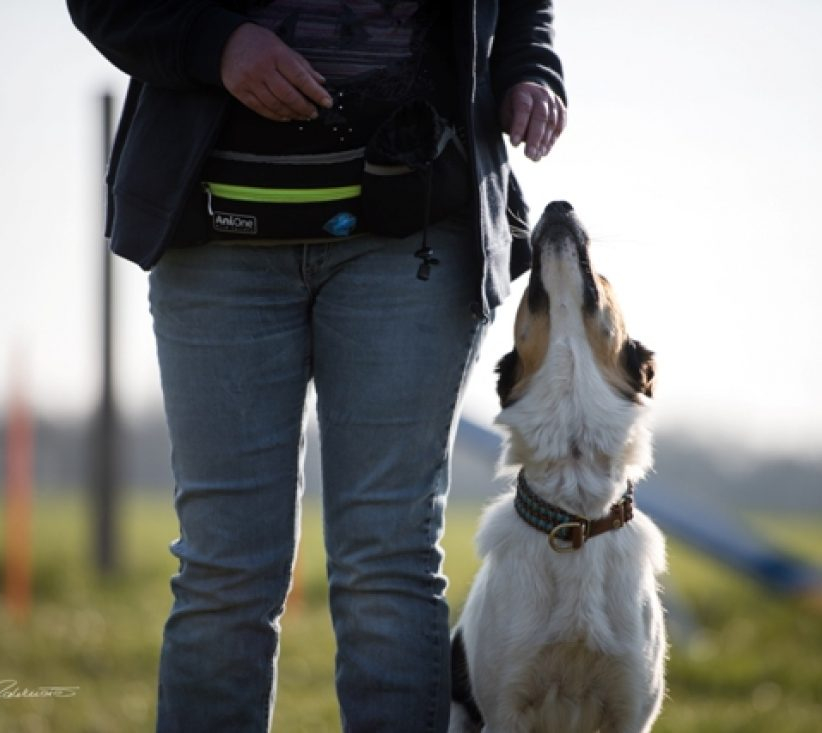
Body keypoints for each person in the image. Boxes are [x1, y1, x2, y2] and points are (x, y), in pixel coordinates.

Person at [67, 2, 566, 730]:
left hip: (416, 229)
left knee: (389, 566)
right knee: (225, 573)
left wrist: (529, 67)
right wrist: (216, 42)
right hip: (215, 233)